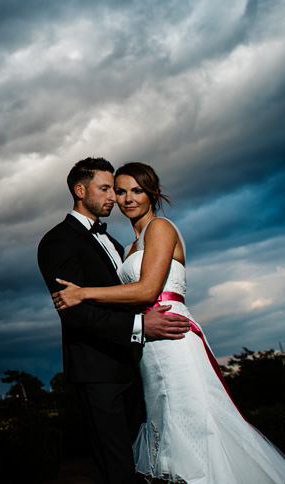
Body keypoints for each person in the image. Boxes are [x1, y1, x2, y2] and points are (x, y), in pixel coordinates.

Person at [52, 162, 285, 484]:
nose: (127, 198)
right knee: (169, 432)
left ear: (152, 193)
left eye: (137, 190)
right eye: (119, 191)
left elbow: (147, 289)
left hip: (172, 336)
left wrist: (84, 293)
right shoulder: (128, 246)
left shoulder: (160, 228)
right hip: (148, 346)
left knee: (195, 425)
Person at [38, 157, 190, 484]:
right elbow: (75, 311)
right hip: (97, 371)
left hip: (134, 364)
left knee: (145, 461)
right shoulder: (58, 240)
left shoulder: (119, 244)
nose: (114, 197)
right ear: (80, 190)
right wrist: (139, 327)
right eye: (106, 188)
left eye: (116, 190)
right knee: (117, 467)